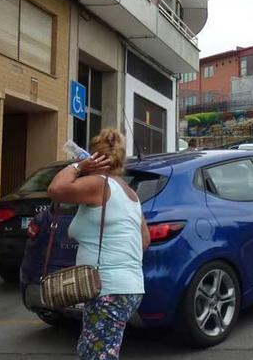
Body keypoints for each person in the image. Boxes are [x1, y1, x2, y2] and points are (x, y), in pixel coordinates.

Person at [48, 128, 150, 360]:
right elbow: (145, 240)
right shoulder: (130, 193)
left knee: (96, 355)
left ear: (93, 158)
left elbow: (55, 190)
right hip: (128, 287)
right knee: (93, 351)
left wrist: (79, 168)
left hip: (108, 289)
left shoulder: (99, 185)